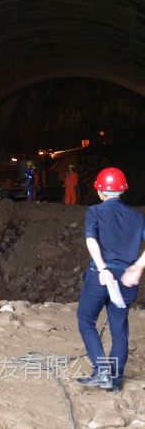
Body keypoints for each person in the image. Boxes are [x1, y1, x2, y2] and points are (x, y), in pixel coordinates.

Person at [76, 167, 142, 393]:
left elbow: (91, 240)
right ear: (122, 190)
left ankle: (101, 370)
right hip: (126, 280)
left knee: (86, 320)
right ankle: (114, 380)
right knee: (119, 328)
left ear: (100, 190)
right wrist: (137, 267)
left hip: (100, 277)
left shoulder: (95, 211)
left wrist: (103, 268)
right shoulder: (137, 217)